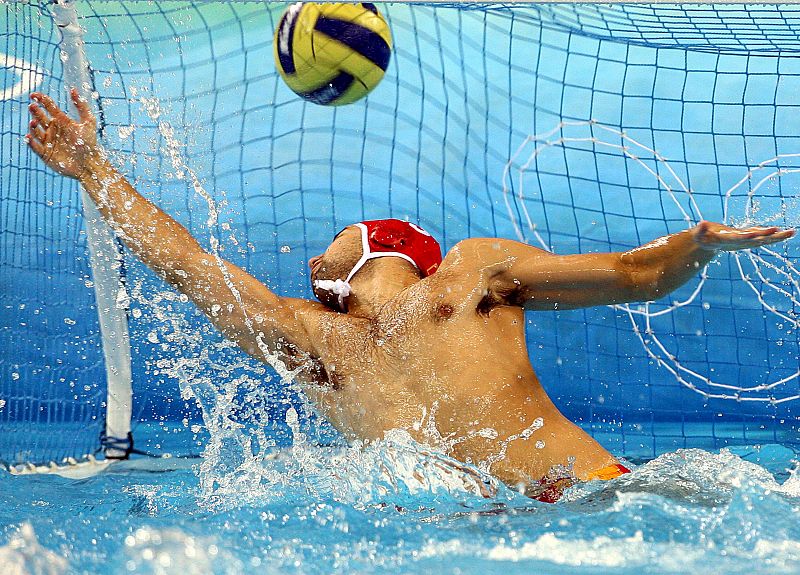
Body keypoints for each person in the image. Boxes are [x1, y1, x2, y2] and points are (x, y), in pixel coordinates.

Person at [27, 89, 795, 502]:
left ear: (376, 243)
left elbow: (633, 274)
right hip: (522, 532)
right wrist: (97, 174)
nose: (310, 263)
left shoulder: (471, 277)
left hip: (614, 496)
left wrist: (695, 247)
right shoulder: (316, 341)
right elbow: (191, 266)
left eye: (328, 244)